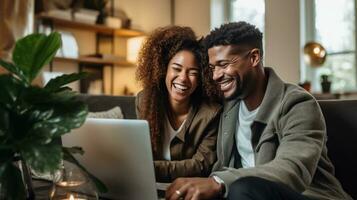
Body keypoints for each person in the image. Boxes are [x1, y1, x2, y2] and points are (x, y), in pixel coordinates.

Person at [166, 22, 352, 200]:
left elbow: (291, 171)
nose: (215, 75)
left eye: (223, 65)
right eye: (213, 67)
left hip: (308, 195)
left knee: (243, 188)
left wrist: (218, 182)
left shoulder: (298, 104)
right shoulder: (229, 105)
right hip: (244, 195)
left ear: (254, 58)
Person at [135, 26, 222, 183]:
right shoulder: (145, 101)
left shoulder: (211, 113)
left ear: (201, 78)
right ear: (164, 70)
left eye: (193, 73)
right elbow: (138, 151)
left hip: (186, 190)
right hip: (146, 185)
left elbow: (201, 166)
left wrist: (147, 168)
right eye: (176, 68)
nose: (183, 78)